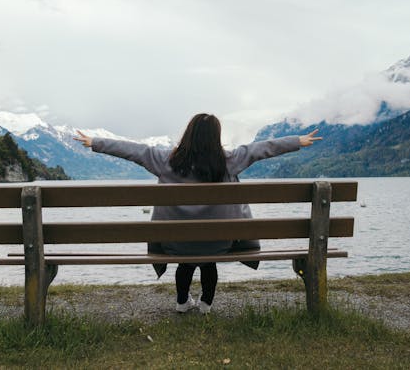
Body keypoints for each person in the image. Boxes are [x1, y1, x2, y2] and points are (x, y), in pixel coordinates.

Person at [74, 113, 321, 314]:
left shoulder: (164, 160)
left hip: (176, 244)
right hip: (219, 244)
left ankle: (182, 302)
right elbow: (262, 149)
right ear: (216, 137)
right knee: (208, 261)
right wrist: (297, 141)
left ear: (188, 134)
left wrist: (96, 142)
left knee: (186, 261)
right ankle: (205, 304)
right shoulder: (231, 160)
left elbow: (133, 150)